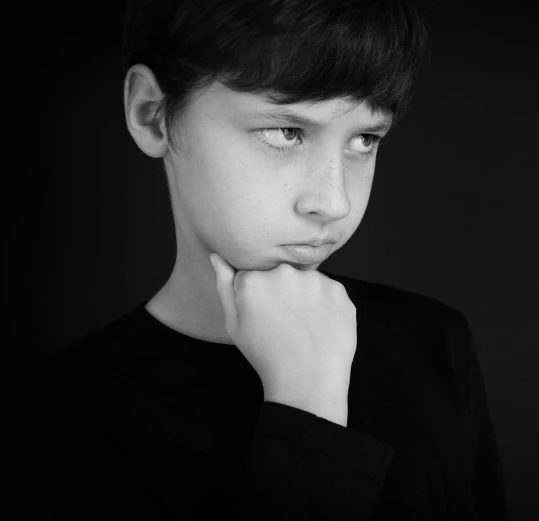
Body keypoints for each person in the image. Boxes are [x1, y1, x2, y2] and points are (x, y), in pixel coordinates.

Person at [28, 0, 509, 519]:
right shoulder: (68, 409)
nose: (334, 201)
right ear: (154, 114)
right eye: (286, 132)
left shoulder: (434, 345)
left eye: (364, 139)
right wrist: (307, 405)